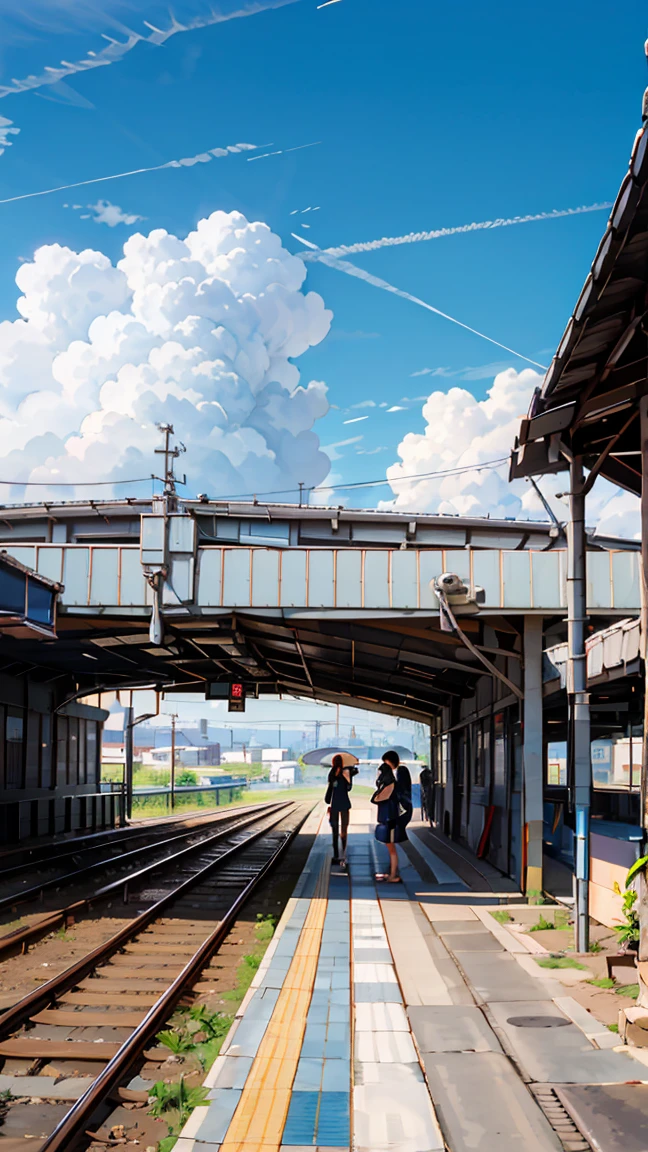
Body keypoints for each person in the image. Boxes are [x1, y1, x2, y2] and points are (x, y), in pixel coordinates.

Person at [371, 758, 407, 883]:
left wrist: (377, 792)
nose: (378, 776)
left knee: (391, 848)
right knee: (389, 846)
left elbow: (377, 798)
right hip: (387, 818)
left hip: (390, 818)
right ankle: (391, 872)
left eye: (380, 773)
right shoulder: (388, 783)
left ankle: (394, 875)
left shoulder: (390, 784)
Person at [325, 753, 352, 865]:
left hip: (337, 804)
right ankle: (341, 854)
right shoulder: (334, 773)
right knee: (341, 830)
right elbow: (349, 788)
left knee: (337, 831)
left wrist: (344, 776)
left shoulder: (345, 772)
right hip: (342, 804)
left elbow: (348, 787)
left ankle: (338, 855)